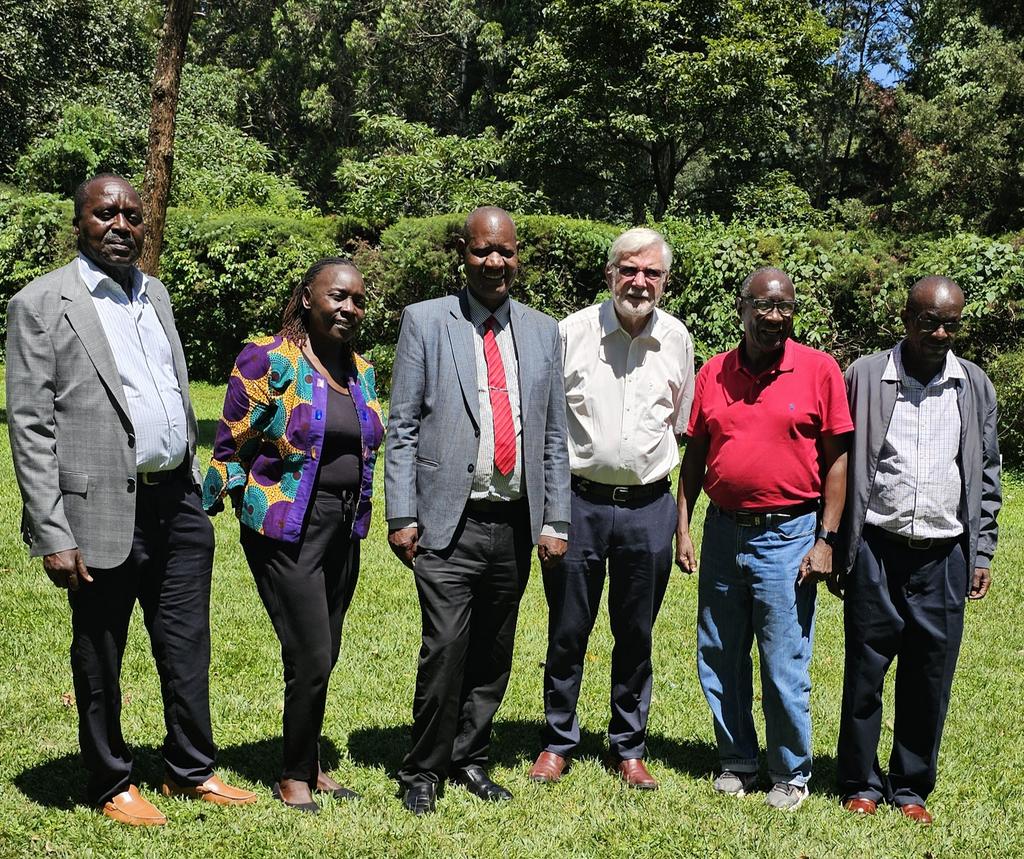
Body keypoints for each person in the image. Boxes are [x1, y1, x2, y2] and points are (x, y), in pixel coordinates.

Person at [5, 173, 256, 826]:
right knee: (100, 652)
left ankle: (189, 769)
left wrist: (196, 478)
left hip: (177, 502)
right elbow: (29, 425)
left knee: (186, 645)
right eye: (105, 213)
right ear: (80, 222)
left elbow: (172, 386)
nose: (121, 224)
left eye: (132, 214)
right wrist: (52, 531)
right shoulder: (41, 302)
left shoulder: (157, 294)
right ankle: (111, 779)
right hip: (98, 511)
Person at [385, 206, 571, 815]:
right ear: (463, 254)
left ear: (519, 257)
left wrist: (556, 520)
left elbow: (551, 436)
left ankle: (469, 756)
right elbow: (404, 425)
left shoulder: (545, 331)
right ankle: (423, 767)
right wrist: (400, 513)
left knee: (494, 649)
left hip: (515, 522)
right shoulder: (425, 321)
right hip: (448, 518)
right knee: (446, 647)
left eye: (506, 252)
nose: (495, 262)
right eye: (483, 251)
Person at [203, 257, 385, 814]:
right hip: (286, 529)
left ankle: (308, 761)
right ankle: (293, 777)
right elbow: (230, 443)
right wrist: (229, 503)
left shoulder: (360, 371)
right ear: (308, 297)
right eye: (336, 296)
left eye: (356, 300)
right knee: (311, 651)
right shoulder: (268, 358)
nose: (347, 308)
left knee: (322, 654)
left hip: (343, 526)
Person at [676, 267, 852, 811]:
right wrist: (683, 524)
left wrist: (826, 539)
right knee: (720, 652)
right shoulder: (713, 373)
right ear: (742, 308)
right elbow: (696, 456)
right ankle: (737, 759)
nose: (775, 316)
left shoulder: (819, 370)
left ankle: (790, 771)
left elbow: (837, 462)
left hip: (791, 534)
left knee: (783, 660)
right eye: (764, 305)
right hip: (724, 532)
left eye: (785, 306)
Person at [528, 228, 694, 790]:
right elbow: (548, 429)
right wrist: (551, 515)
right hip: (579, 505)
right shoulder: (569, 333)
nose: (639, 281)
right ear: (609, 274)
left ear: (665, 282)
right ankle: (557, 740)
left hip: (650, 507)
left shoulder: (677, 339)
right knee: (568, 630)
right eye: (629, 269)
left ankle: (629, 744)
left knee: (636, 632)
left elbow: (679, 423)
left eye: (651, 273)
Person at [834, 277, 1001, 825]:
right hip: (877, 549)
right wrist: (835, 540)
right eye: (928, 320)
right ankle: (859, 781)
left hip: (944, 555)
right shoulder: (864, 375)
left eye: (950, 322)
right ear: (905, 318)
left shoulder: (973, 386)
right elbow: (833, 460)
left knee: (930, 674)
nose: (939, 332)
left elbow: (988, 474)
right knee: (865, 669)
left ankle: (910, 786)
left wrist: (981, 552)